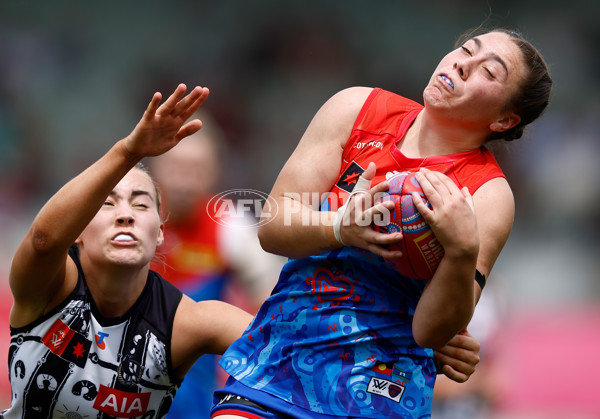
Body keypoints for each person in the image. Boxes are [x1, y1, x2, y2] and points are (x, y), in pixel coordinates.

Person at [211, 27, 552, 418]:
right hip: (279, 365)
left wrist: (461, 252)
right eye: (465, 50)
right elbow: (273, 228)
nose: (461, 64)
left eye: (488, 72)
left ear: (505, 120)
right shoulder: (356, 109)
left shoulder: (488, 195)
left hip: (382, 391)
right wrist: (340, 228)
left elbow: (433, 334)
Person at [2, 84, 255, 418]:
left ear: (160, 231)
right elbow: (43, 242)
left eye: (141, 203)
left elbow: (285, 354)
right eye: (107, 203)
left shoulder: (186, 322)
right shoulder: (46, 291)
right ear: (77, 229)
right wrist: (130, 151)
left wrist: (236, 411)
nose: (125, 214)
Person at [147, 111, 285, 418]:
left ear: (215, 171)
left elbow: (276, 308)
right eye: (176, 167)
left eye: (196, 169)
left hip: (190, 400)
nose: (185, 180)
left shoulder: (231, 226)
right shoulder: (131, 221)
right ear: (156, 165)